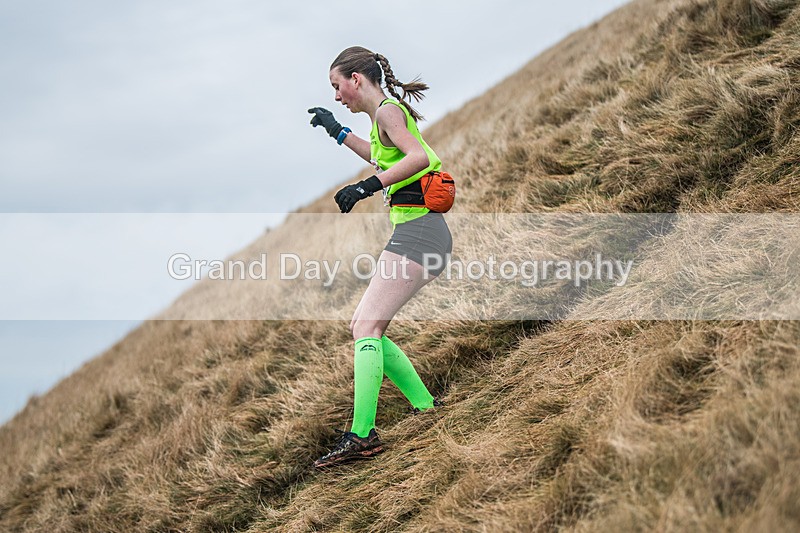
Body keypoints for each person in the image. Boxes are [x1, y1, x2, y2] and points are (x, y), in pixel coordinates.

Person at [308, 46, 452, 468]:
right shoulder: (379, 119)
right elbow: (381, 156)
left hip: (422, 232)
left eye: (337, 87)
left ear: (356, 79)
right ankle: (425, 407)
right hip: (418, 231)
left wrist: (365, 188)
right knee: (363, 326)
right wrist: (336, 131)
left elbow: (419, 157)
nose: (337, 96)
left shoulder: (389, 111)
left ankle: (361, 436)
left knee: (366, 326)